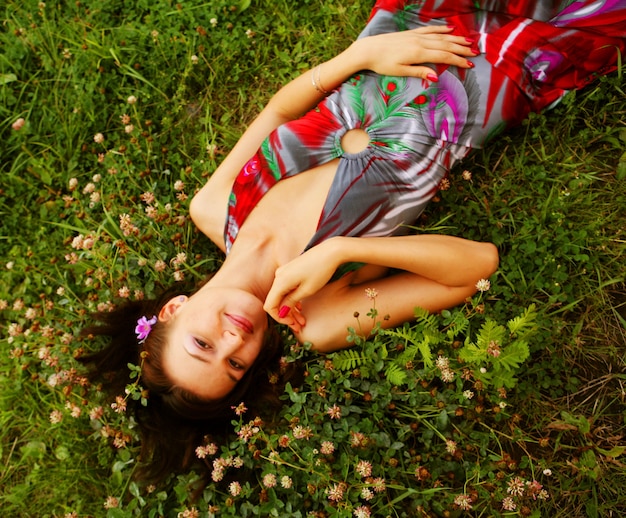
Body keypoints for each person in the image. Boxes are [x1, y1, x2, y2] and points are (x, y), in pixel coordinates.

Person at [81, 0, 626, 481]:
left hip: (407, 28)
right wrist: (345, 251)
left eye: (203, 344)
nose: (234, 342)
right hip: (492, 71)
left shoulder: (211, 208)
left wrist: (361, 56)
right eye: (236, 366)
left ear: (174, 309)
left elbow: (277, 111)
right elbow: (477, 265)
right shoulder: (318, 318)